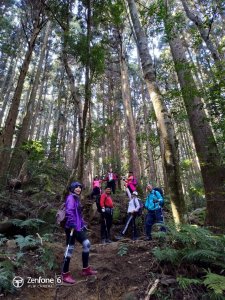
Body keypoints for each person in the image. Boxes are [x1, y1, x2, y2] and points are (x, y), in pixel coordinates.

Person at [62, 181, 97, 284]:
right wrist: (72, 224)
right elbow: (69, 212)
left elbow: (78, 214)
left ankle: (85, 269)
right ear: (72, 188)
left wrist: (82, 224)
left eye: (80, 187)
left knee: (87, 244)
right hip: (71, 228)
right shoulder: (70, 198)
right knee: (70, 250)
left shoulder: (76, 198)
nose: (78, 189)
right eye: (76, 187)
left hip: (78, 227)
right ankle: (65, 274)